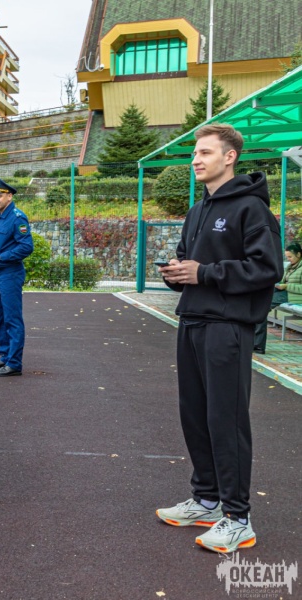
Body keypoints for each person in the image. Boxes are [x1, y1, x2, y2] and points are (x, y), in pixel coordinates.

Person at [156, 123, 282, 553]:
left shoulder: (252, 209)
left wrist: (204, 273)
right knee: (195, 416)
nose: (196, 160)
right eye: (195, 154)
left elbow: (267, 269)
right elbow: (189, 263)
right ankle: (207, 500)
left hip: (228, 328)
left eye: (205, 153)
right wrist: (177, 274)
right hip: (192, 320)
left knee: (225, 420)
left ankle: (238, 517)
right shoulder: (198, 211)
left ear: (230, 157)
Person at [0, 177, 34, 377]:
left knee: (12, 319)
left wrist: (2, 258)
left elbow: (26, 246)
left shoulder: (17, 217)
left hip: (10, 274)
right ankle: (5, 356)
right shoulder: (2, 216)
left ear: (9, 196)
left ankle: (14, 363)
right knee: (0, 318)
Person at [252, 242, 302, 353]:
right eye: (287, 257)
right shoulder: (290, 267)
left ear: (298, 254)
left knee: (261, 309)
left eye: (290, 257)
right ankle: (254, 342)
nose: (288, 259)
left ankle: (258, 345)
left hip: (293, 296)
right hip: (284, 292)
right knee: (259, 301)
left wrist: (286, 286)